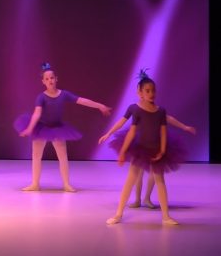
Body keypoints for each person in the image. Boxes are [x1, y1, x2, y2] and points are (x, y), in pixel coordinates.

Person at [105, 69, 187, 225]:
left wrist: (162, 150)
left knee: (160, 181)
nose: (151, 93)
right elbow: (132, 132)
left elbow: (163, 131)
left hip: (156, 150)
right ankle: (118, 214)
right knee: (130, 180)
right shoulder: (136, 109)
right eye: (147, 90)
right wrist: (122, 151)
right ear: (140, 93)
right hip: (141, 150)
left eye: (153, 90)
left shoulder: (161, 111)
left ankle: (166, 217)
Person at [15, 62, 111, 192]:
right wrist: (30, 128)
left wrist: (99, 106)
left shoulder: (64, 94)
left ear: (56, 79)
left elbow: (82, 100)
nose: (50, 80)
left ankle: (66, 184)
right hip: (41, 128)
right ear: (43, 81)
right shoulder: (41, 97)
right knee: (36, 156)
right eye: (47, 79)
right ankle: (35, 184)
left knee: (63, 156)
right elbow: (37, 114)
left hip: (57, 128)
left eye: (52, 78)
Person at [99, 99, 195, 208]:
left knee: (155, 171)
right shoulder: (134, 108)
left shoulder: (156, 110)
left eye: (151, 91)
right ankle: (137, 199)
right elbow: (121, 122)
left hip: (155, 142)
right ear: (140, 93)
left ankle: (147, 198)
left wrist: (184, 127)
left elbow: (168, 118)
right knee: (137, 172)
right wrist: (108, 133)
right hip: (139, 142)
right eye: (146, 91)